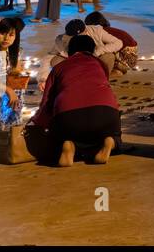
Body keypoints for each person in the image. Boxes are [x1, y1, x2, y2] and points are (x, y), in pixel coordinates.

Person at [27, 34, 122, 166]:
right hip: (105, 116)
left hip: (69, 120)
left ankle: (68, 144)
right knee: (113, 134)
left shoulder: (59, 68)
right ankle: (110, 141)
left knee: (57, 138)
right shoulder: (100, 64)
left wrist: (37, 122)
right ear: (93, 50)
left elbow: (47, 102)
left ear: (69, 50)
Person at [88, 12, 139, 78]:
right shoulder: (109, 30)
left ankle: (110, 73)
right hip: (132, 60)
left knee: (103, 53)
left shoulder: (100, 32)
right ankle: (118, 70)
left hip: (125, 60)